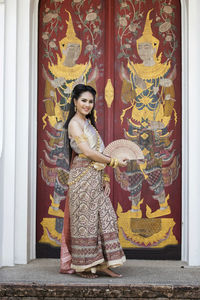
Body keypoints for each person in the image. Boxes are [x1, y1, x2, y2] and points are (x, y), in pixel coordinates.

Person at [60, 84, 127, 278]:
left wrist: (105, 175)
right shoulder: (74, 123)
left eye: (90, 101)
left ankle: (101, 264)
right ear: (75, 102)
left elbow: (97, 152)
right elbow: (88, 152)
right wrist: (113, 162)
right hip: (82, 179)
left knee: (105, 218)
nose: (87, 105)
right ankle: (83, 266)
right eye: (83, 100)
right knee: (86, 222)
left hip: (95, 176)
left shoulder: (89, 124)